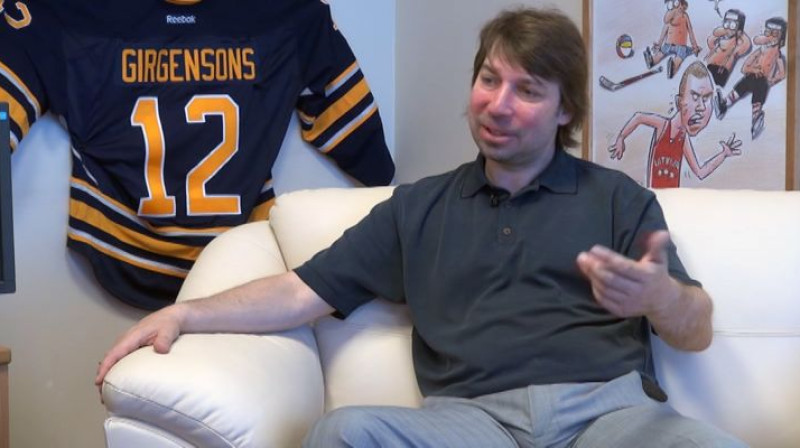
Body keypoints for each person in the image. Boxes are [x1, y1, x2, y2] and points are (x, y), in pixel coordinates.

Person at [96, 7, 747, 448]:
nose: (498, 104)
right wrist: (186, 313)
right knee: (344, 433)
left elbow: (694, 330)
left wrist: (660, 297)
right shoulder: (419, 208)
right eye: (489, 80)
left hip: (607, 416)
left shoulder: (618, 198)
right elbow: (298, 291)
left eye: (527, 90)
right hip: (471, 423)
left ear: (564, 111)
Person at [609, 61, 741, 188]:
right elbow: (639, 117)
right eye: (695, 97)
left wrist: (723, 154)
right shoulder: (663, 126)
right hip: (655, 197)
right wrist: (621, 137)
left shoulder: (683, 140)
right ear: (679, 102)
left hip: (672, 199)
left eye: (706, 99)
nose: (701, 107)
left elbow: (700, 172)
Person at [715, 17, 787, 139]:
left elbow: (782, 73)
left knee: (758, 95)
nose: (770, 37)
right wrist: (753, 70)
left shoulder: (778, 55)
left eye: (775, 34)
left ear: (781, 39)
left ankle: (755, 118)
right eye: (768, 32)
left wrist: (772, 80)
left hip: (763, 80)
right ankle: (724, 105)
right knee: (741, 86)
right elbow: (744, 68)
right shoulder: (760, 51)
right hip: (751, 77)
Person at [643, 0, 702, 79]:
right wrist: (659, 44)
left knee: (678, 57)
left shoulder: (684, 16)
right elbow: (664, 32)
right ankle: (652, 61)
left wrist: (694, 46)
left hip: (680, 46)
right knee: (662, 53)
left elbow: (690, 31)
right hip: (669, 45)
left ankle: (673, 66)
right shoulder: (671, 18)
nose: (680, 9)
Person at [705, 9, 752, 88]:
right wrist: (719, 34)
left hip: (722, 68)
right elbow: (711, 40)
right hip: (711, 64)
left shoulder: (737, 41)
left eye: (733, 25)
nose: (729, 28)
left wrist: (740, 33)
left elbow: (746, 45)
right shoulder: (722, 36)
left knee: (716, 86)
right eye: (727, 23)